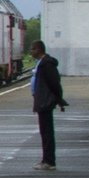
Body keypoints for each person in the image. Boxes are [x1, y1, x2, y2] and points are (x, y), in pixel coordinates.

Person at [30, 39, 66, 168]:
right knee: (45, 132)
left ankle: (49, 161)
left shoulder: (47, 64)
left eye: (33, 49)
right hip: (42, 101)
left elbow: (54, 83)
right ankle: (46, 160)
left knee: (47, 133)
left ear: (39, 49)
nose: (31, 51)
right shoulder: (42, 63)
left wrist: (59, 100)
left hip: (45, 102)